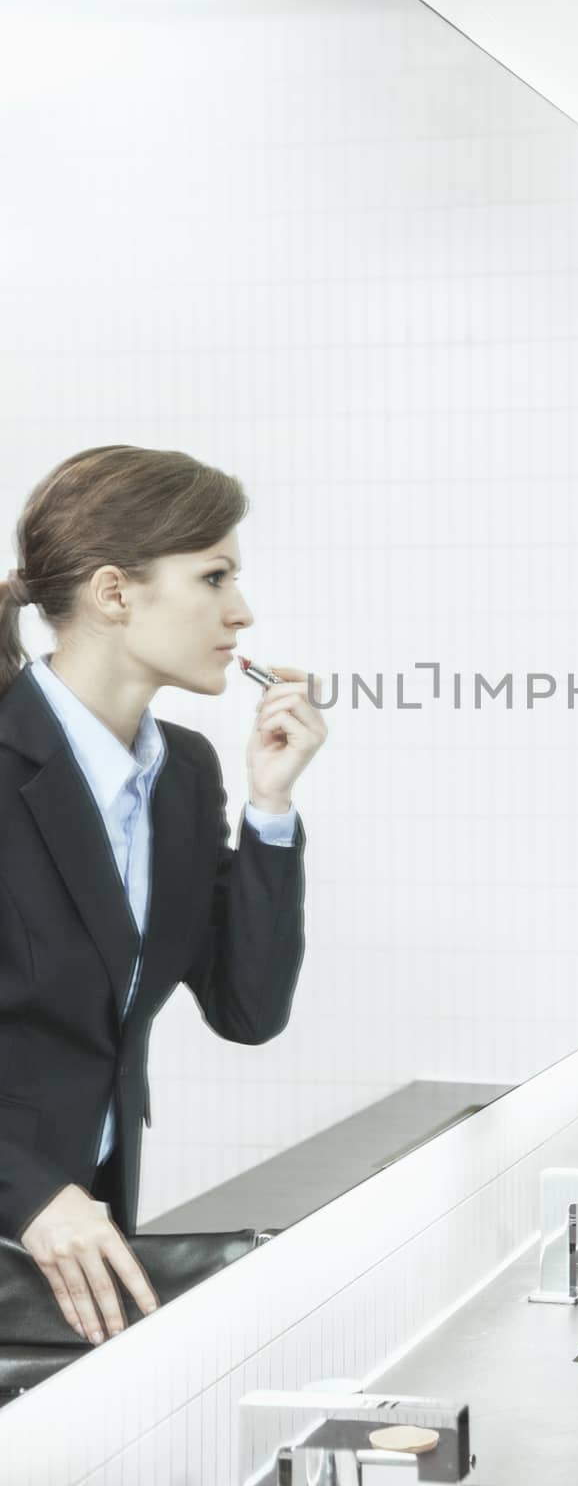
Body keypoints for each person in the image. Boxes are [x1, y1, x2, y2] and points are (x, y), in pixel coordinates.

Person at [0, 444, 327, 1351]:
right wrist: (25, 1196)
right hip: (28, 1217)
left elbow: (248, 1008)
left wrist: (270, 806)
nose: (241, 611)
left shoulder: (184, 772)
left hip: (90, 1233)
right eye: (214, 576)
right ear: (115, 594)